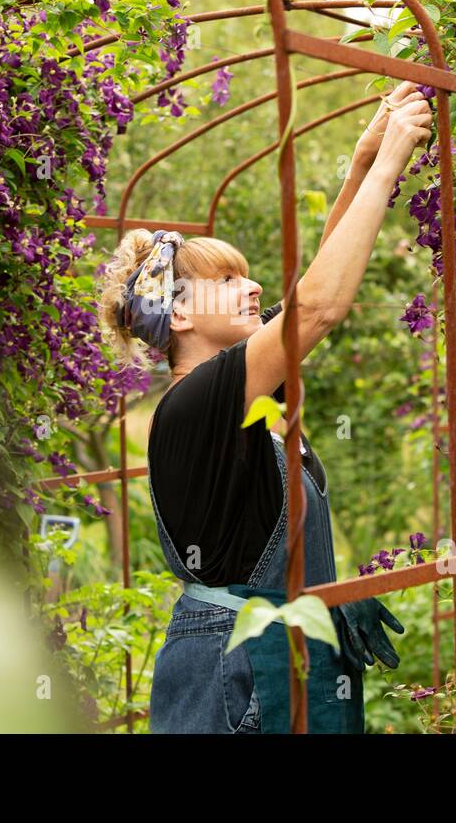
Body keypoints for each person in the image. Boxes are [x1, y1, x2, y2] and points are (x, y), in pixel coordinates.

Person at [97, 81, 435, 733]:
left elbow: (316, 291)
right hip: (234, 674)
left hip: (272, 654)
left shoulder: (240, 389)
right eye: (228, 280)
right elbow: (317, 307)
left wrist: (363, 162)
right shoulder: (198, 401)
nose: (254, 286)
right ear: (183, 311)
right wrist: (392, 159)